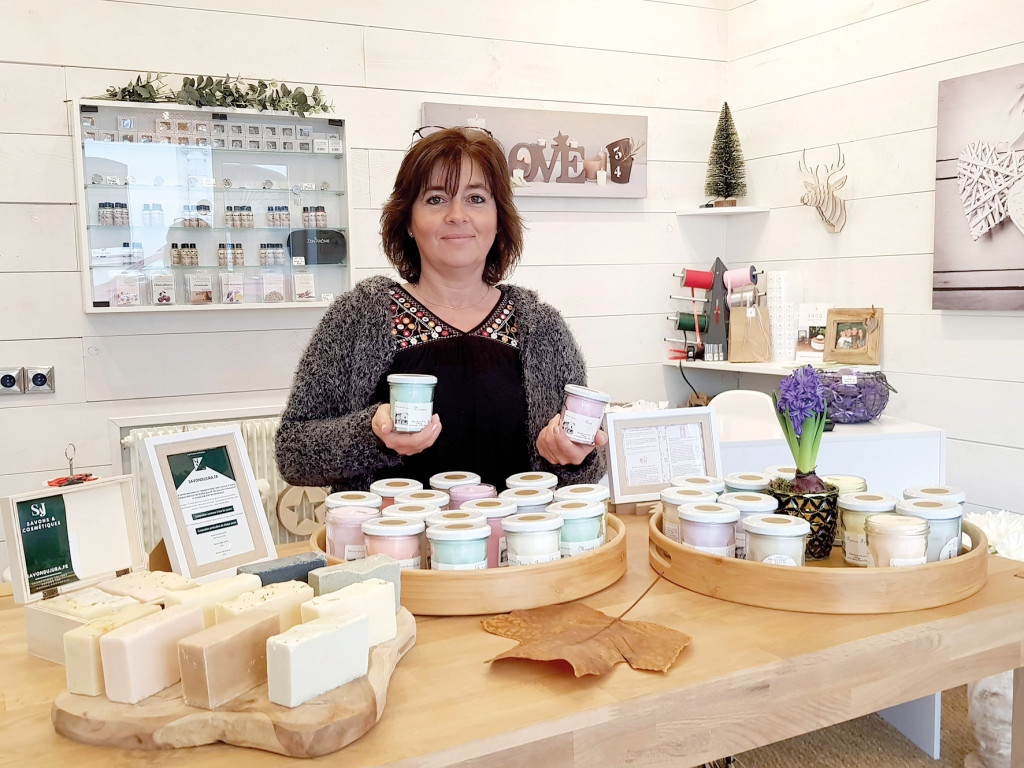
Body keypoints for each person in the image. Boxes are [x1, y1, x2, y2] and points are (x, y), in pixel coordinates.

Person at [275, 127, 606, 492]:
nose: (457, 215)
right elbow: (293, 453)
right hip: (394, 545)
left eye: (477, 198)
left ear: (498, 220)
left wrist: (571, 455)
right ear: (409, 222)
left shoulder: (540, 326)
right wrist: (372, 433)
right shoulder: (359, 315)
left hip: (516, 543)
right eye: (435, 199)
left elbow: (590, 459)